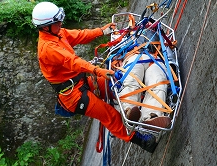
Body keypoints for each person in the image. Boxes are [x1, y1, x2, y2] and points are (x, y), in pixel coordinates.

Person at [32, 1, 158, 152]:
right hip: (73, 95)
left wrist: (101, 31)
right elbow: (73, 62)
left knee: (117, 84)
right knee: (108, 114)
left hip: (81, 81)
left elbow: (80, 35)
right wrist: (97, 71)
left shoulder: (58, 33)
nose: (61, 23)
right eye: (57, 22)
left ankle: (142, 110)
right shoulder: (48, 48)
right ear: (46, 27)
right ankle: (141, 140)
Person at [114, 29, 172, 130]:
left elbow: (167, 51)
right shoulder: (126, 38)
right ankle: (129, 110)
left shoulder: (155, 32)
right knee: (131, 81)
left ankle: (151, 116)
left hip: (154, 59)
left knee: (159, 82)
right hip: (134, 57)